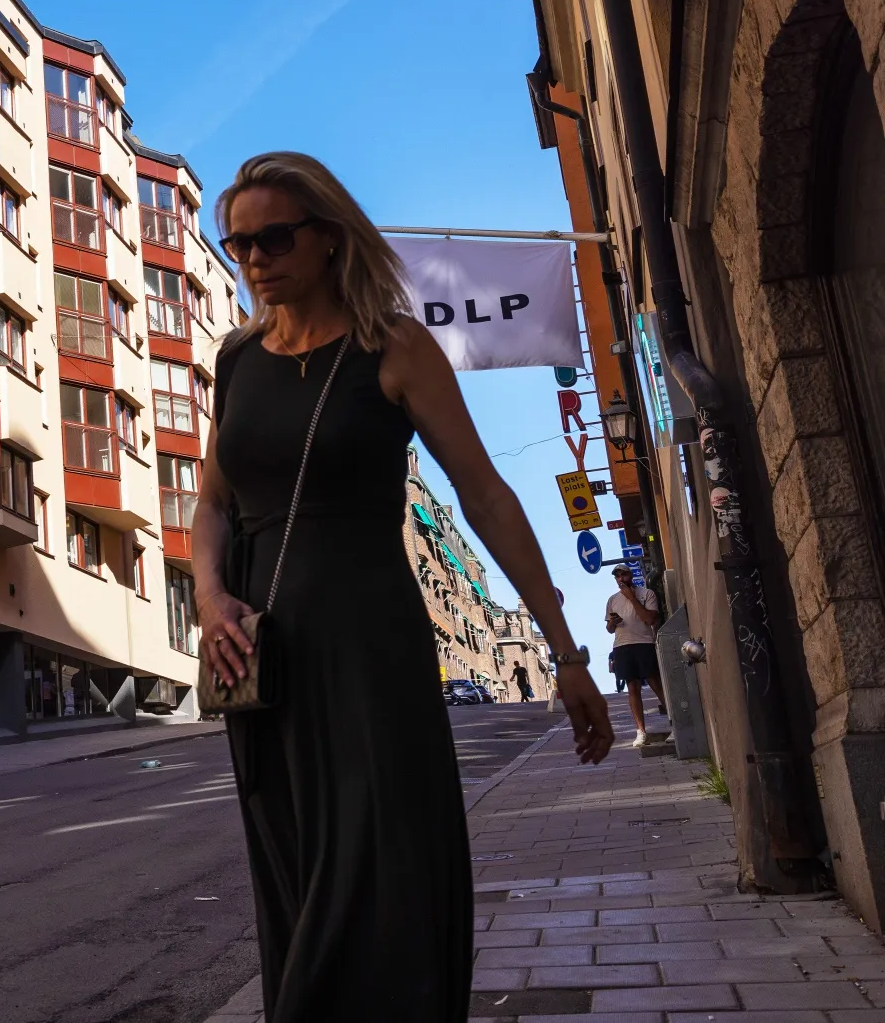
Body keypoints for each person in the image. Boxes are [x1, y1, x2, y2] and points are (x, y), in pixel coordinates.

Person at [192, 152, 614, 1022]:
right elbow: (212, 503)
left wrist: (565, 652)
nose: (255, 259)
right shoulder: (235, 361)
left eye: (274, 238)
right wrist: (206, 594)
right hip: (261, 664)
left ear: (329, 237)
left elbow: (486, 496)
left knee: (378, 872)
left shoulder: (393, 347)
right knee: (296, 874)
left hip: (367, 645)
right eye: (238, 244)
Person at [605, 564, 669, 745]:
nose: (621, 579)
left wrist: (632, 598)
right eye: (617, 576)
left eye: (623, 575)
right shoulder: (612, 600)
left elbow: (650, 619)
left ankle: (675, 723)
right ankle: (641, 732)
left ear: (631, 575)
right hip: (622, 646)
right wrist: (613, 622)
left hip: (644, 643)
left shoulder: (646, 594)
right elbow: (609, 629)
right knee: (632, 688)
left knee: (656, 683)